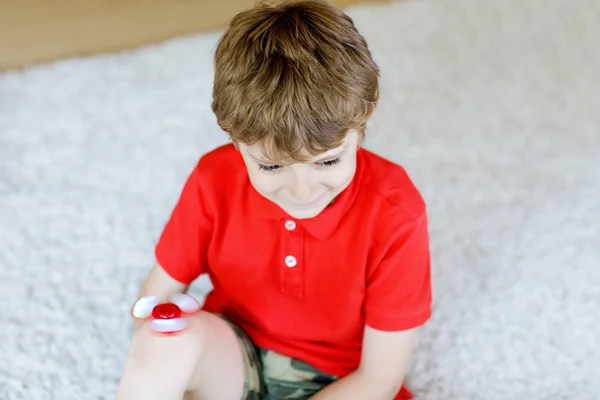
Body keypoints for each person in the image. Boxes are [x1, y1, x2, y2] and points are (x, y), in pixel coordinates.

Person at [116, 0, 432, 399]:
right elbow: (154, 295)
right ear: (232, 136)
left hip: (341, 381)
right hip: (233, 350)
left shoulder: (395, 211)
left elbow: (379, 379)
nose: (302, 192)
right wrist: (153, 331)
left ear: (365, 117)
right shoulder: (213, 178)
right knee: (162, 341)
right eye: (271, 168)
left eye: (328, 161)